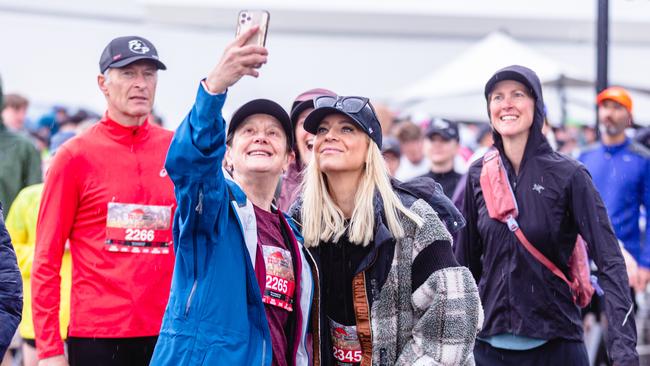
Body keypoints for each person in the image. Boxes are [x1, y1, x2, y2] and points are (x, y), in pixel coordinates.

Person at [150, 27, 317, 366]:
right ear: (227, 155)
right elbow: (190, 163)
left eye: (273, 133)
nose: (261, 138)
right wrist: (214, 89)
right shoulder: (213, 208)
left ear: (288, 158)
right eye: (248, 131)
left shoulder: (295, 237)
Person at [455, 65, 638, 365]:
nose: (507, 104)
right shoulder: (478, 175)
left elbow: (610, 262)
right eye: (497, 97)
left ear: (536, 105)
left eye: (518, 94)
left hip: (556, 347)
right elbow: (463, 266)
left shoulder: (569, 174)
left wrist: (623, 353)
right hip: (488, 349)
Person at [293, 94, 482, 365]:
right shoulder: (302, 220)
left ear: (370, 147)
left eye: (346, 128)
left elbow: (456, 318)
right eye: (322, 130)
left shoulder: (411, 217)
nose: (329, 136)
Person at [31, 36, 176, 366]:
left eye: (149, 74)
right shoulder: (74, 157)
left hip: (167, 334)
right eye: (127, 73)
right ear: (103, 83)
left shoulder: (176, 150)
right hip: (98, 337)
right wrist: (49, 350)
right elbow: (46, 259)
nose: (140, 84)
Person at [6, 131, 77, 366]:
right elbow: (9, 252)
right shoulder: (28, 198)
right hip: (37, 319)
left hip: (80, 321)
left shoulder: (88, 196)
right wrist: (46, 250)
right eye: (54, 157)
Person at [579, 87, 650, 293]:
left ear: (629, 116)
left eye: (617, 108)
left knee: (621, 324)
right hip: (584, 262)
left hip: (626, 262)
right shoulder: (584, 157)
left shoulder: (642, 159)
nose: (609, 113)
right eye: (605, 107)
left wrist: (646, 263)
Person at [276, 88, 336, 212]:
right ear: (295, 139)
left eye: (323, 124)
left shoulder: (368, 193)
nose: (313, 130)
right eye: (304, 122)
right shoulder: (274, 190)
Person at [0, 78, 41, 210]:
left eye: (24, 111)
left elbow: (34, 198)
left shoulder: (25, 146)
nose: (21, 116)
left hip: (10, 226)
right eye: (16, 110)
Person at [417, 118, 463, 199]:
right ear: (423, 144)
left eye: (444, 139)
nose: (437, 145)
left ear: (457, 146)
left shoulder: (466, 185)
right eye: (432, 139)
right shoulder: (414, 185)